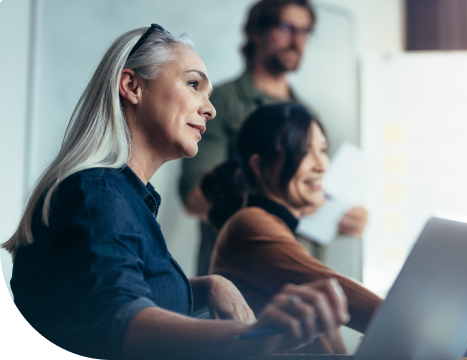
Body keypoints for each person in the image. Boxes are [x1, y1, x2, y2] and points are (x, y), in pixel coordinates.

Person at [2, 25, 351, 360]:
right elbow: (122, 323)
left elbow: (140, 294)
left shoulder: (125, 199)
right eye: (193, 85)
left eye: (209, 95)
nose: (210, 109)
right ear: (132, 86)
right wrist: (260, 336)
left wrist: (207, 286)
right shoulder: (98, 196)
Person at [179, 0, 368, 277]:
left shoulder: (306, 113)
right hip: (240, 281)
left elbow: (311, 197)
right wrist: (281, 196)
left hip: (303, 274)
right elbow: (194, 197)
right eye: (287, 27)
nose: (297, 40)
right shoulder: (219, 102)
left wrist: (340, 216)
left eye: (305, 31)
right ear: (256, 32)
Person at [202, 103, 382, 353]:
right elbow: (341, 294)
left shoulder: (276, 228)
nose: (321, 165)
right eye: (305, 152)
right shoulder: (250, 223)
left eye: (323, 150)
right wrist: (415, 326)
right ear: (260, 166)